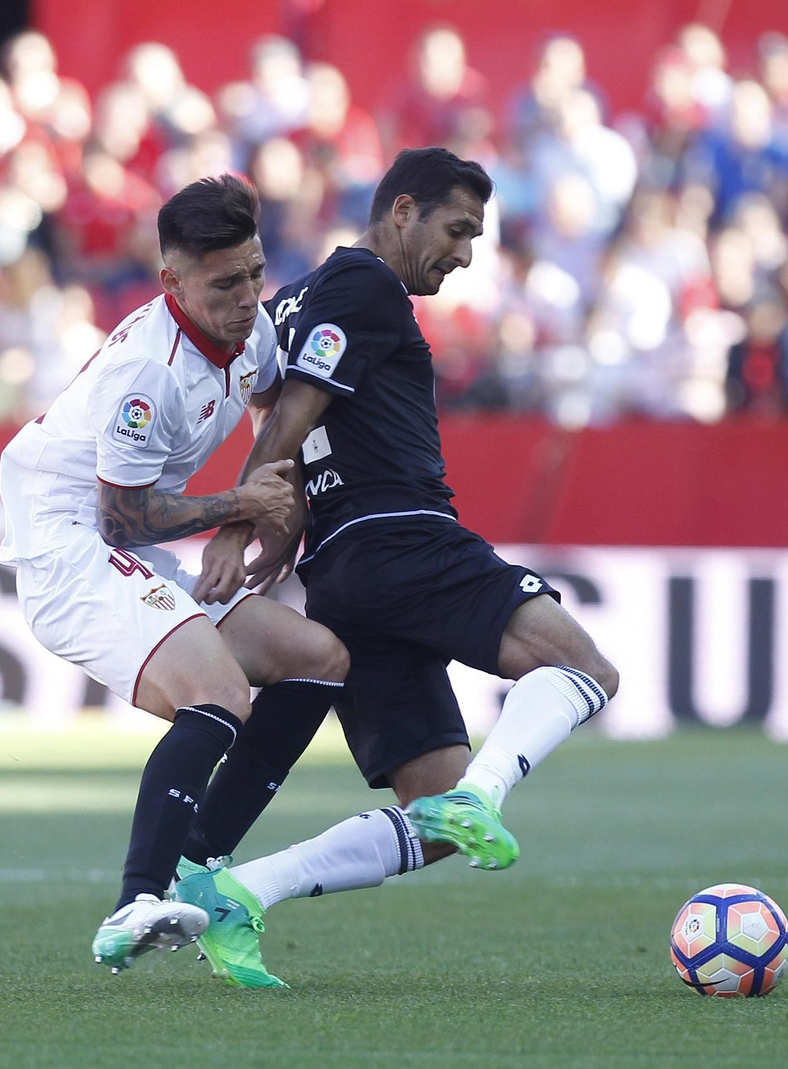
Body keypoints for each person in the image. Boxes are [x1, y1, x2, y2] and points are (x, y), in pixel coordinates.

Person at [175, 148, 618, 949]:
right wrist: (239, 523)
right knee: (586, 668)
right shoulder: (367, 283)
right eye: (457, 229)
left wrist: (297, 513)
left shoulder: (295, 300)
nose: (465, 253)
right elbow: (294, 413)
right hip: (402, 537)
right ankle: (481, 796)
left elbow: (278, 410)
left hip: (343, 572)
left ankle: (240, 890)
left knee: (432, 812)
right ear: (402, 209)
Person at [0, 174, 350, 985]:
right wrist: (238, 501)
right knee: (218, 694)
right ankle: (136, 900)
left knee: (318, 655)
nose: (250, 296)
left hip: (131, 541)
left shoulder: (250, 330)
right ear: (172, 283)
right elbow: (120, 518)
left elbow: (272, 410)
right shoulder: (146, 374)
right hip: (69, 543)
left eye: (258, 272)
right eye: (227, 283)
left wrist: (237, 523)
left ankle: (201, 867)